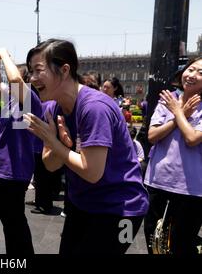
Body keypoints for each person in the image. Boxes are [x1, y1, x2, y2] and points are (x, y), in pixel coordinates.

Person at [23, 39, 148, 255]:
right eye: (30, 71)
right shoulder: (53, 108)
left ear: (64, 70)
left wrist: (55, 143)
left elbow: (92, 172)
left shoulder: (94, 108)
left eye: (38, 70)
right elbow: (49, 164)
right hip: (84, 204)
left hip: (122, 211)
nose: (32, 79)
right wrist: (60, 145)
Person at [143, 57, 202, 255]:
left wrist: (177, 112)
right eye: (191, 69)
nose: (192, 75)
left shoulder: (174, 105)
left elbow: (192, 138)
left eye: (200, 73)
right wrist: (179, 115)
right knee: (155, 242)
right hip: (158, 181)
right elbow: (152, 135)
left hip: (191, 189)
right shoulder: (167, 100)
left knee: (181, 246)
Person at [0, 48, 43, 254]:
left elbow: (14, 82)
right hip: (0, 169)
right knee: (9, 223)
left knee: (15, 223)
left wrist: (5, 55)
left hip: (15, 171)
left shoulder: (32, 102)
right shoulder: (11, 99)